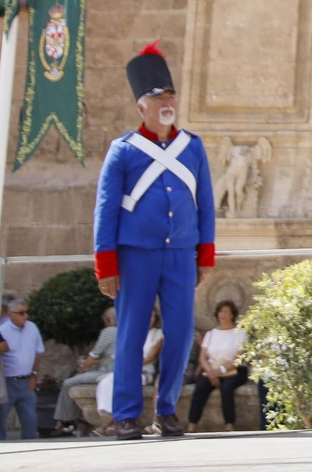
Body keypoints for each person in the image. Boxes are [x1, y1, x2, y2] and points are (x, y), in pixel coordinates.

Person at [93, 41, 215, 441]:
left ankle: (166, 410)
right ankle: (127, 414)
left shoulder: (192, 147)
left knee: (179, 334)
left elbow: (205, 204)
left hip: (180, 254)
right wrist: (106, 264)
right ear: (141, 106)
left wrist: (205, 254)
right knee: (130, 335)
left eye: (170, 96)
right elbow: (106, 209)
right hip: (135, 256)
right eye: (157, 97)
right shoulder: (123, 150)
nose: (166, 102)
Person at [51, 306, 117, 435]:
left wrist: (83, 366)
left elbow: (94, 354)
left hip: (105, 372)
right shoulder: (125, 330)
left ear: (109, 319)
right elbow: (109, 356)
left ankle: (65, 421)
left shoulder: (109, 331)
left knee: (68, 383)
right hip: (113, 370)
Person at [187, 300, 249, 432]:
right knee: (201, 386)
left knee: (227, 388)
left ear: (232, 314)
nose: (223, 314)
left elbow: (239, 357)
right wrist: (211, 372)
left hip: (234, 370)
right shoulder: (210, 334)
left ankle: (229, 424)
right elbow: (202, 357)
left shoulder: (240, 333)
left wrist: (221, 371)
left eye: (226, 311)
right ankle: (192, 424)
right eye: (221, 311)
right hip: (212, 369)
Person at [0, 297, 45, 440]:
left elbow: (38, 352)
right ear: (10, 314)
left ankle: (29, 448)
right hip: (7, 381)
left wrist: (34, 374)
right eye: (21, 313)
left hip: (26, 381)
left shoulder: (32, 328)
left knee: (30, 420)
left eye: (26, 312)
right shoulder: (1, 331)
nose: (25, 316)